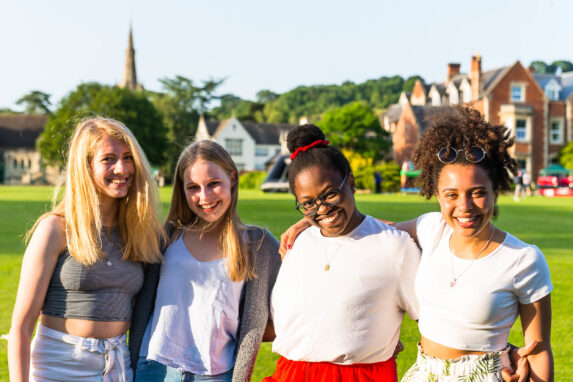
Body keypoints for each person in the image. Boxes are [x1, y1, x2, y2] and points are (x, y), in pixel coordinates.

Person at [280, 107, 553, 381]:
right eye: (451, 195)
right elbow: (370, 227)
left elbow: (538, 350)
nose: (464, 207)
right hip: (424, 372)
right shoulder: (431, 228)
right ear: (436, 194)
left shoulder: (524, 259)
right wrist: (313, 218)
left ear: (497, 191)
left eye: (478, 193)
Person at [8, 117, 165, 381]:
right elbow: (21, 329)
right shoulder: (55, 230)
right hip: (59, 366)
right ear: (86, 166)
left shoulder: (141, 234)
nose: (122, 168)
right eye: (108, 159)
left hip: (117, 366)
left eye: (128, 157)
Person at [264, 124, 421, 381]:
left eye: (330, 194)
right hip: (288, 374)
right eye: (308, 203)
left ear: (351, 182)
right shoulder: (298, 242)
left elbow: (436, 320)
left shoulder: (395, 248)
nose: (322, 208)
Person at [129, 140, 282, 382]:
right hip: (154, 367)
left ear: (232, 178)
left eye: (213, 184)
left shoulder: (257, 243)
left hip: (216, 373)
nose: (204, 196)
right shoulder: (166, 238)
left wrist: (304, 224)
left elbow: (293, 305)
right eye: (193, 188)